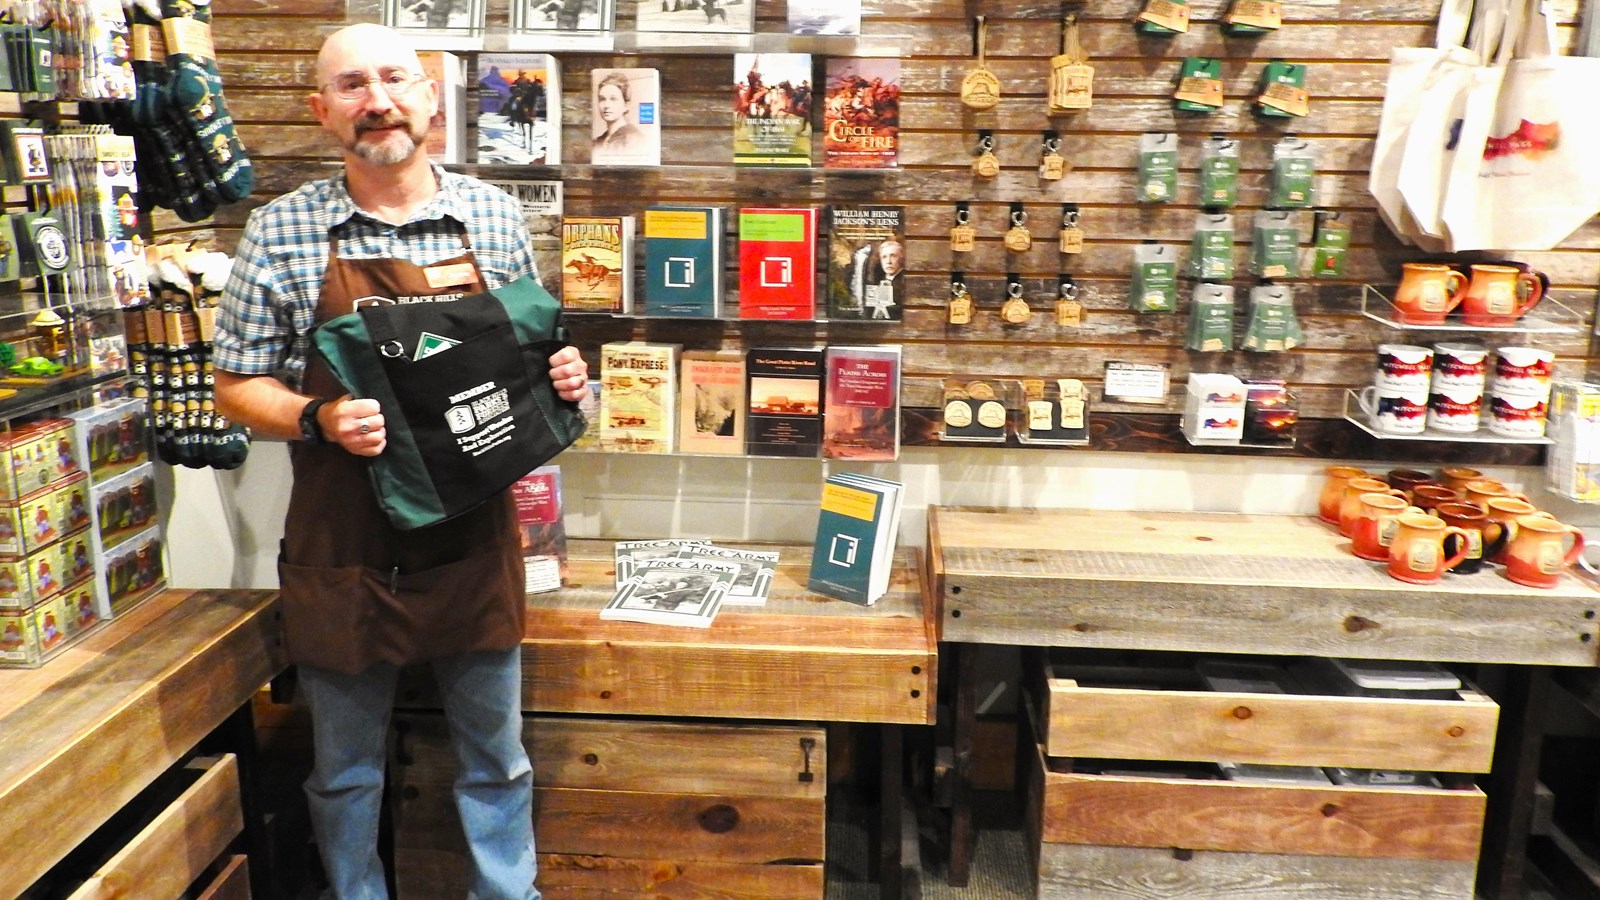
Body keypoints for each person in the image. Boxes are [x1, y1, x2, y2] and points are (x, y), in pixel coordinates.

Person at [212, 22, 588, 900]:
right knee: (345, 770)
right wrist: (319, 415)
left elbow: (531, 365)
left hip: (473, 542)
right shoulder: (281, 232)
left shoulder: (491, 216)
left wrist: (564, 376)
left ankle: (506, 893)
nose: (375, 100)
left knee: (497, 759)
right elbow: (233, 387)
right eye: (351, 85)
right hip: (345, 545)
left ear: (430, 98)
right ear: (322, 110)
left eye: (393, 79)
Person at [592, 70, 646, 158]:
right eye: (602, 99)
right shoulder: (598, 142)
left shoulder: (634, 139)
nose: (606, 105)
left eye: (613, 99)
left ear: (626, 105)